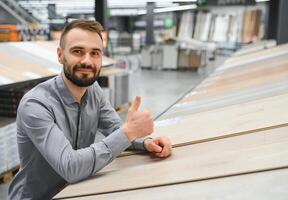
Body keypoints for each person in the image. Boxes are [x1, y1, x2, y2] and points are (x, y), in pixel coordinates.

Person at [8, 19, 172, 200]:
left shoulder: (93, 91)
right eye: (77, 51)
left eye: (95, 53)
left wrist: (146, 142)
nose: (87, 61)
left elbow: (115, 130)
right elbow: (70, 166)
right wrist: (128, 132)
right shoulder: (36, 105)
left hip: (77, 192)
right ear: (60, 55)